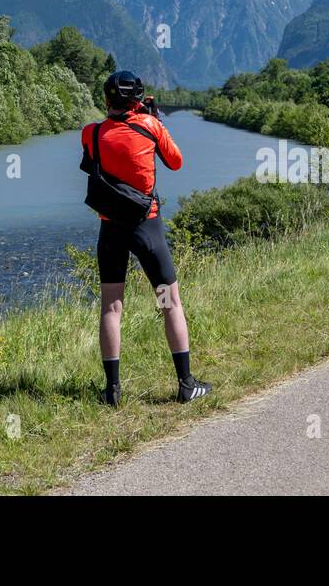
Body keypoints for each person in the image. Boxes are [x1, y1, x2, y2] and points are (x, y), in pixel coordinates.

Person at [84, 70, 211, 407]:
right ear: (137, 99)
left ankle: (112, 392)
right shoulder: (150, 126)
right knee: (170, 303)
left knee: (111, 307)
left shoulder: (91, 133)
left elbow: (101, 157)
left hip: (110, 229)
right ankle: (186, 384)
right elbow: (176, 162)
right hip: (147, 227)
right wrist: (152, 120)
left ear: (107, 99)